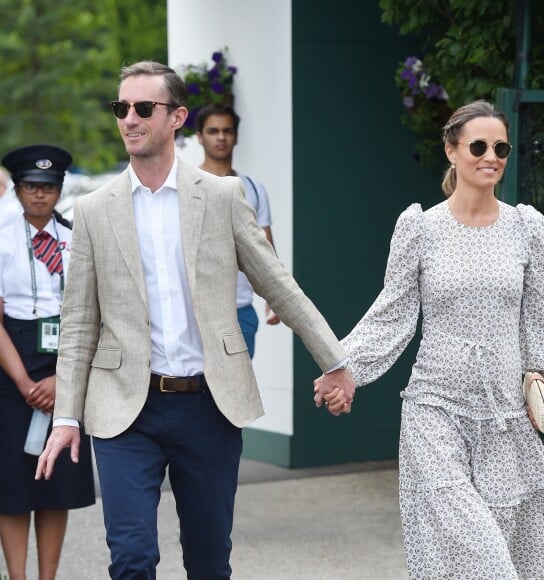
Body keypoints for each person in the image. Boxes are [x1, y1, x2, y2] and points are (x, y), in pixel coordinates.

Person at [35, 61, 354, 580]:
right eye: (122, 108)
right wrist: (67, 418)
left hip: (209, 405)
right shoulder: (94, 210)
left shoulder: (224, 197)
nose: (130, 119)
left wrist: (335, 360)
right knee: (132, 558)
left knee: (208, 562)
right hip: (123, 412)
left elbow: (277, 284)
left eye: (143, 108)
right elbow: (77, 325)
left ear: (177, 116)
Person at [319, 100, 544, 579]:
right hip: (434, 411)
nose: (492, 156)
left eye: (501, 147)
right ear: (451, 150)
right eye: (478, 145)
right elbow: (392, 313)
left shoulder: (526, 228)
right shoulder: (420, 228)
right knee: (479, 554)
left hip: (505, 417)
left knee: (506, 553)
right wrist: (346, 368)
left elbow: (538, 313)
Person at [0, 145, 95, 580]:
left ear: (60, 190)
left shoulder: (76, 236)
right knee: (13, 485)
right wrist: (23, 381)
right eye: (31, 187)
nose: (40, 195)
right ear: (17, 189)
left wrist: (62, 378)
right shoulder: (1, 236)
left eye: (49, 187)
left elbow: (92, 311)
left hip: (66, 360)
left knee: (55, 481)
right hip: (11, 359)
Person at [196, 104, 281, 358]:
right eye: (213, 131)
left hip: (240, 310)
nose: (221, 137)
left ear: (235, 136)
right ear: (200, 137)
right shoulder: (184, 184)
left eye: (227, 131)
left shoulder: (253, 188)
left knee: (237, 394)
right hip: (194, 312)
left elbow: (265, 248)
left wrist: (275, 297)